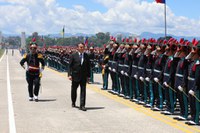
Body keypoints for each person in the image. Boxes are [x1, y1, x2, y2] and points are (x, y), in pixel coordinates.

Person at [68, 43, 90, 111]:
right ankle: (73, 101)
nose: (82, 48)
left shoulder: (86, 56)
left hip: (83, 76)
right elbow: (70, 66)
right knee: (74, 90)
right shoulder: (73, 55)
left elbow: (88, 67)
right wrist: (69, 74)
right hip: (75, 75)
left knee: (83, 91)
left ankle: (82, 105)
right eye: (80, 47)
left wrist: (88, 77)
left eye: (83, 47)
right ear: (77, 48)